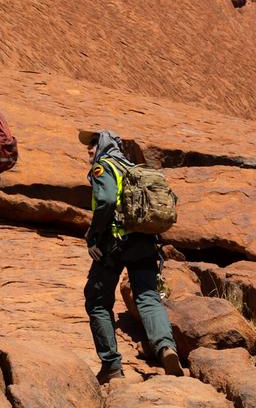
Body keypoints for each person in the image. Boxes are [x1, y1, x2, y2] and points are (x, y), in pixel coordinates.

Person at [80, 129, 183, 384]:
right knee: (148, 297)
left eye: (93, 144)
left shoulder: (104, 167)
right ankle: (166, 348)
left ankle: (112, 366)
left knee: (97, 302)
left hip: (115, 244)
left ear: (103, 145)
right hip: (145, 243)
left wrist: (93, 235)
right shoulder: (132, 167)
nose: (89, 150)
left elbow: (104, 201)